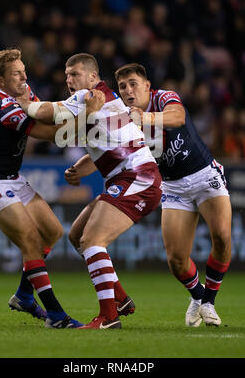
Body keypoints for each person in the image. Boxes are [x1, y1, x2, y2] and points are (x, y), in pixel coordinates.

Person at [17, 53, 162, 329]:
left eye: (75, 74)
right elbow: (110, 143)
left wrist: (25, 103)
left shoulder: (89, 96)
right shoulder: (103, 101)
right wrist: (81, 167)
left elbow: (51, 113)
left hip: (137, 177)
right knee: (77, 235)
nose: (69, 79)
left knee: (93, 241)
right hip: (130, 176)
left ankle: (108, 317)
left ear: (93, 77)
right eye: (67, 74)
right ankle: (119, 299)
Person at [0, 48, 85, 329]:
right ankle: (56, 315)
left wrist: (68, 110)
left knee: (52, 231)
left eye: (23, 70)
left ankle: (23, 295)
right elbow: (48, 133)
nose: (24, 77)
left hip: (12, 176)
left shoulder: (16, 92)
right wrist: (86, 119)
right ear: (0, 80)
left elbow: (43, 112)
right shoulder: (6, 107)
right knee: (31, 242)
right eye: (16, 73)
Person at [114, 63, 232, 327]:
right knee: (177, 261)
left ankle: (209, 302)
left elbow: (177, 117)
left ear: (146, 86)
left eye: (133, 83)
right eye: (123, 86)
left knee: (222, 237)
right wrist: (82, 165)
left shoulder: (163, 97)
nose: (128, 90)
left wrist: (144, 119)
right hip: (173, 186)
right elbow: (112, 149)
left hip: (204, 174)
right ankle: (199, 298)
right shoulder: (122, 118)